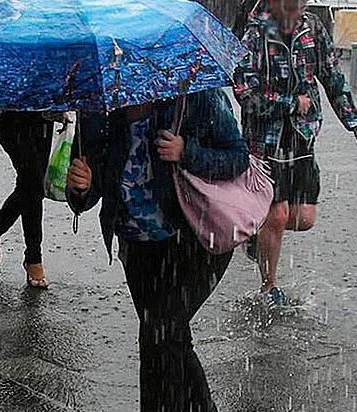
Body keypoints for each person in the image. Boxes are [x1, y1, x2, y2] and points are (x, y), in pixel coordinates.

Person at [66, 89, 249, 412]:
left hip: (194, 239)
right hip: (137, 245)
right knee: (169, 338)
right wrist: (80, 187)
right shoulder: (98, 105)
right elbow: (89, 191)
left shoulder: (194, 93)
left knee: (159, 337)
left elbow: (237, 157)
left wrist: (186, 152)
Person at [234, 0, 357, 307]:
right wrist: (289, 103)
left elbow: (333, 78)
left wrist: (353, 122)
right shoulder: (257, 33)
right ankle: (269, 286)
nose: (294, 13)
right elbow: (244, 89)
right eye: (288, 6)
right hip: (265, 140)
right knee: (277, 215)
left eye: (300, 6)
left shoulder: (313, 29)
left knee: (302, 219)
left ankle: (258, 234)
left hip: (301, 137)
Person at [0, 112, 54, 288]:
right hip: (10, 111)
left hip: (44, 111)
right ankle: (34, 257)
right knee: (33, 183)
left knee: (31, 184)